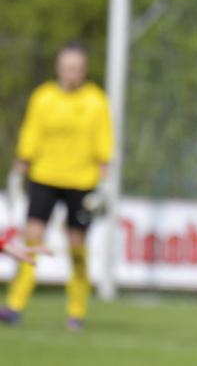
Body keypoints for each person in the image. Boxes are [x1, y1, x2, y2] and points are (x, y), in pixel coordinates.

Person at [0, 42, 113, 330]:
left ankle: (76, 310)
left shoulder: (96, 100)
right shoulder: (43, 97)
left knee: (77, 247)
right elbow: (31, 136)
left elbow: (104, 148)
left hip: (81, 181)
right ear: (58, 68)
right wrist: (18, 170)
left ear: (84, 70)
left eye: (76, 68)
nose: (71, 73)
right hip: (44, 178)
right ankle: (15, 304)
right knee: (31, 241)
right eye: (66, 67)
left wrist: (103, 186)